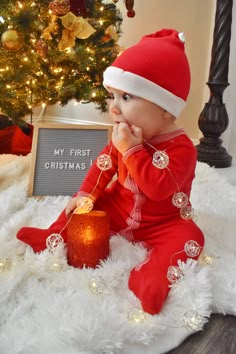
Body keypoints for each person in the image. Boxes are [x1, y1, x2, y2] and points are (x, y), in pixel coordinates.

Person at [17, 28, 205, 315]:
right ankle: (53, 235)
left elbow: (157, 187)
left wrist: (131, 150)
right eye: (112, 96)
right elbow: (102, 167)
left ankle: (151, 277)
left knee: (191, 238)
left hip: (164, 221)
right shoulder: (124, 134)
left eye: (126, 97)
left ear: (166, 108)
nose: (114, 109)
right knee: (83, 207)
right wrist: (85, 196)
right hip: (119, 207)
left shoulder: (182, 149)